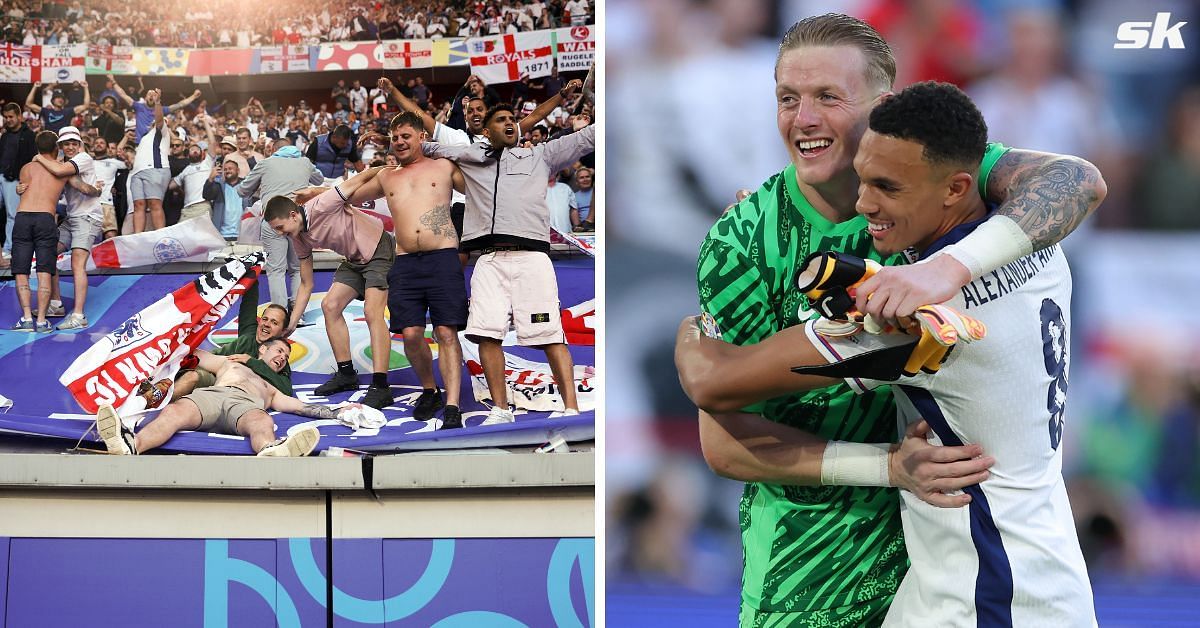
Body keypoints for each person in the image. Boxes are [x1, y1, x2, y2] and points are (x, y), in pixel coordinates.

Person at [690, 13, 1105, 626]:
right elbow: (721, 441)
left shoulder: (916, 306)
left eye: (828, 97)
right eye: (787, 98)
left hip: (981, 586)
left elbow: (712, 382)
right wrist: (889, 465)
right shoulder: (1027, 238)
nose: (803, 118)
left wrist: (688, 342)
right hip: (817, 577)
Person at [423, 105, 593, 425]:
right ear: (487, 131)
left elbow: (586, 138)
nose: (510, 123)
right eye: (501, 120)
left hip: (532, 260)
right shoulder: (472, 157)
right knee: (488, 335)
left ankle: (571, 408)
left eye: (512, 119)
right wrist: (399, 142)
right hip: (487, 260)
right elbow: (432, 147)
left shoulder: (540, 155)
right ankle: (501, 410)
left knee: (550, 334)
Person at [343, 112, 468, 428]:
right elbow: (348, 195)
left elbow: (481, 188)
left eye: (405, 136)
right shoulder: (387, 176)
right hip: (405, 263)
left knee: (445, 331)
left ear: (421, 137)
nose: (399, 142)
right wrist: (313, 196)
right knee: (411, 334)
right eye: (394, 137)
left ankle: (452, 403)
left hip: (442, 258)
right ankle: (430, 389)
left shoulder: (444, 166)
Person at [263, 167, 396, 410]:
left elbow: (362, 178)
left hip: (378, 248)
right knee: (330, 305)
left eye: (281, 228)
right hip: (354, 259)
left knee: (371, 312)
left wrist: (391, 168)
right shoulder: (297, 237)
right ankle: (346, 374)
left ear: (293, 215)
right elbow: (306, 283)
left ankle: (380, 385)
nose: (280, 234)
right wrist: (293, 321)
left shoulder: (323, 204)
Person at [96, 338, 341, 457]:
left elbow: (301, 407)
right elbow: (191, 353)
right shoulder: (229, 362)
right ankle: (131, 447)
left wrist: (339, 412)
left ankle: (270, 451)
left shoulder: (273, 388)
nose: (282, 358)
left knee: (262, 421)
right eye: (280, 351)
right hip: (213, 397)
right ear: (263, 349)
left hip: (245, 407)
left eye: (286, 357)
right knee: (174, 412)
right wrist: (171, 337)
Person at [28, 126, 103, 330]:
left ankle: (79, 316)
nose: (70, 146)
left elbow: (62, 172)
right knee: (48, 255)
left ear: (79, 145)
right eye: (66, 143)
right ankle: (56, 304)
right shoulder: (63, 164)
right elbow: (64, 185)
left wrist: (39, 158)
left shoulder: (83, 158)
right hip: (72, 219)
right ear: (60, 146)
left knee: (78, 264)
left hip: (88, 218)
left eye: (74, 143)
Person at [172, 275, 292, 401]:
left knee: (192, 377)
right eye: (265, 319)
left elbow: (287, 390)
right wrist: (251, 271)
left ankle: (155, 406)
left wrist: (250, 361)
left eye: (274, 322)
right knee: (176, 359)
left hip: (222, 384)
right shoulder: (250, 332)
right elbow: (249, 301)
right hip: (203, 363)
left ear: (282, 332)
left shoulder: (279, 356)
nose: (266, 324)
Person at [239, 138, 325, 309]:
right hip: (298, 221)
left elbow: (243, 190)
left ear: (274, 150)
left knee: (276, 271)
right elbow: (319, 180)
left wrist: (262, 188)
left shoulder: (266, 163)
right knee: (297, 269)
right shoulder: (305, 162)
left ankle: (280, 313)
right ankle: (298, 313)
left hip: (274, 222)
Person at [9, 131, 69, 332]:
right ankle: (42, 320)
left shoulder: (26, 168)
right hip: (45, 218)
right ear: (57, 148)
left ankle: (26, 318)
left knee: (21, 271)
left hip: (23, 217)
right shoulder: (62, 169)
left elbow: (24, 190)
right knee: (44, 270)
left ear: (37, 148)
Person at [126, 89, 171, 232]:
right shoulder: (144, 137)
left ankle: (160, 236)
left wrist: (158, 102)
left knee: (154, 203)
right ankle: (138, 236)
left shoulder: (162, 132)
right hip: (137, 172)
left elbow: (158, 120)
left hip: (155, 169)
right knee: (138, 205)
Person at [0, 103, 37, 268]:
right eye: (6, 117)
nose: (8, 120)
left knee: (11, 215)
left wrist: (26, 180)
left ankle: (8, 247)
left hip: (15, 179)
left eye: (11, 117)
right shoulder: (5, 136)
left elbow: (32, 160)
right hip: (0, 176)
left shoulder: (29, 136)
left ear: (19, 117)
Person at [25, 82, 89, 134]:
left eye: (62, 98)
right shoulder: (46, 111)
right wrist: (35, 87)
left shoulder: (68, 111)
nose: (60, 99)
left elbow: (85, 105)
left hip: (62, 141)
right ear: (53, 101)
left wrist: (86, 88)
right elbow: (28, 103)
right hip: (49, 141)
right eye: (58, 97)